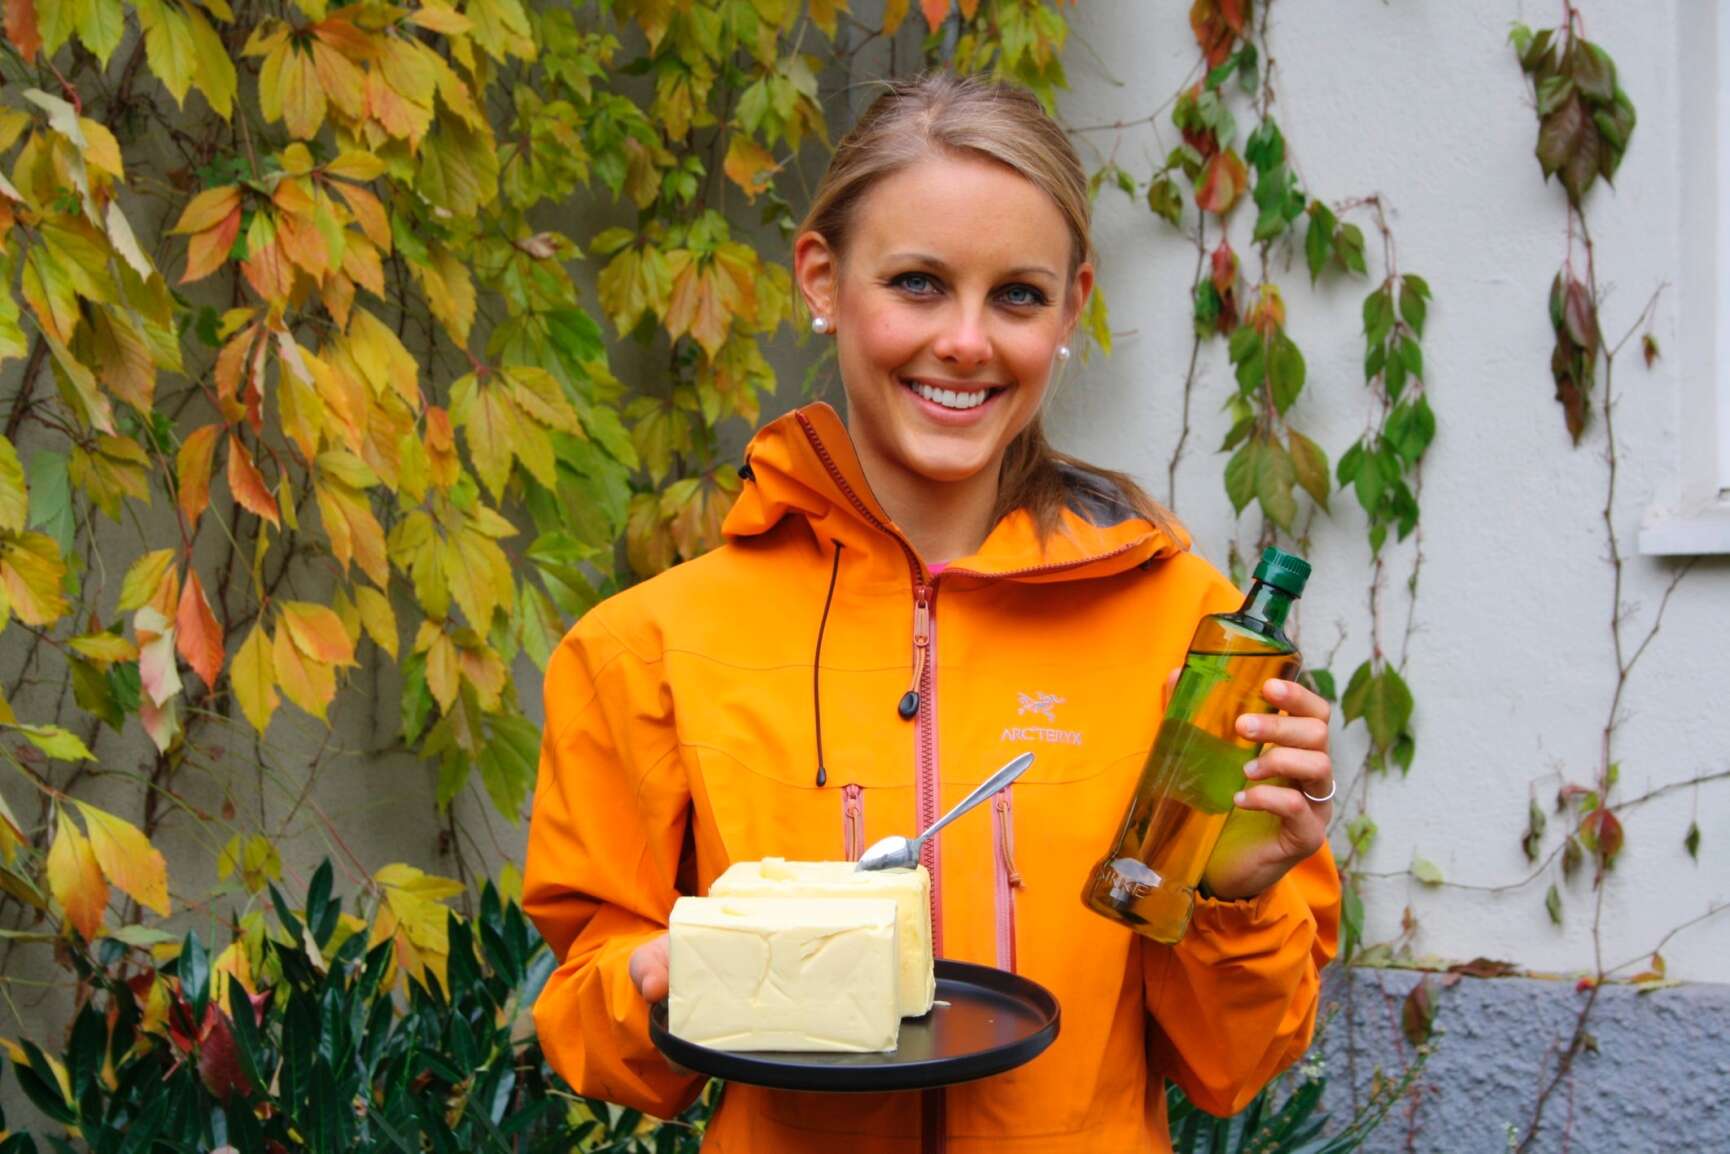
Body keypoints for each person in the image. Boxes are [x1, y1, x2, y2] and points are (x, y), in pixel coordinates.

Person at [524, 71, 1340, 1154]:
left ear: (1071, 307)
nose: (965, 340)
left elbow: (1235, 1067)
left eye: (1017, 296)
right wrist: (663, 982)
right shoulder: (648, 647)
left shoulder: (1188, 633)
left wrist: (1232, 897)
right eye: (917, 283)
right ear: (822, 278)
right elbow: (593, 1036)